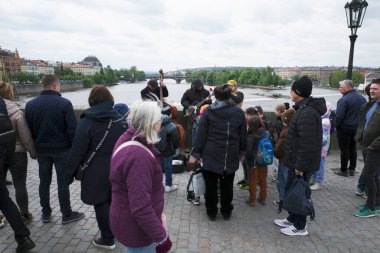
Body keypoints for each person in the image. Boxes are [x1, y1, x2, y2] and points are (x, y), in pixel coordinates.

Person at [66, 85, 126, 249]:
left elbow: (77, 151)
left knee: (101, 203)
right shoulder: (120, 119)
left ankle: (107, 238)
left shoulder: (87, 121)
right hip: (118, 167)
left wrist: (68, 174)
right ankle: (119, 231)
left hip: (95, 170)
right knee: (116, 201)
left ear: (92, 100)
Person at [109, 101, 172, 253]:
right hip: (137, 229)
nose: (161, 123)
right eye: (159, 120)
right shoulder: (138, 157)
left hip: (127, 221)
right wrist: (161, 238)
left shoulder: (127, 138)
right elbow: (140, 207)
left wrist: (158, 213)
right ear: (151, 123)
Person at [25, 74, 84, 224]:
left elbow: (29, 130)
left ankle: (45, 213)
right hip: (62, 149)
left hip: (41, 149)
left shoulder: (30, 105)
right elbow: (72, 130)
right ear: (55, 85)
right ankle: (66, 214)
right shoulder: (64, 104)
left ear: (43, 86)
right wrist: (73, 150)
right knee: (62, 182)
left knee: (43, 181)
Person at [274, 76, 326, 236]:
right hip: (295, 160)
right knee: (292, 191)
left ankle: (300, 226)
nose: (290, 92)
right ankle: (292, 218)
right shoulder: (302, 109)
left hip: (301, 163)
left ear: (298, 92)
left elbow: (307, 143)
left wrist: (300, 166)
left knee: (300, 193)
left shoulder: (308, 113)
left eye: (292, 89)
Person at [189, 84, 247, 221]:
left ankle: (212, 211)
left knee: (211, 186)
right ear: (229, 96)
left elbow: (200, 135)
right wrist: (242, 151)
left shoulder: (209, 111)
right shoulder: (239, 113)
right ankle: (226, 211)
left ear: (216, 96)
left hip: (211, 154)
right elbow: (242, 135)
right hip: (230, 154)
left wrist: (195, 153)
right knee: (227, 185)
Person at [0, 96, 35, 252]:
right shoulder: (12, 108)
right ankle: (23, 232)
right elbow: (25, 134)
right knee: (10, 193)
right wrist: (33, 152)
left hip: (4, 155)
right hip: (13, 152)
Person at [354, 78, 380, 218]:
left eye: (375, 89)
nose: (371, 90)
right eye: (371, 88)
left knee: (369, 175)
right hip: (366, 145)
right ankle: (377, 202)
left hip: (375, 148)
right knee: (374, 175)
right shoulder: (371, 105)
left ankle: (370, 207)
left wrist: (373, 145)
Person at [334, 80, 366, 177]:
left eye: (340, 87)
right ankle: (352, 168)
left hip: (344, 128)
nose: (339, 89)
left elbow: (339, 116)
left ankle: (343, 170)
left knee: (344, 149)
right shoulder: (362, 99)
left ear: (347, 87)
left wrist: (336, 125)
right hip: (357, 128)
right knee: (353, 148)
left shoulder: (344, 100)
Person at [273, 108, 295, 209]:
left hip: (284, 160)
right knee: (289, 181)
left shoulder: (285, 132)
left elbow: (280, 149)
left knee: (282, 181)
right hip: (293, 160)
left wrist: (275, 152)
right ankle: (289, 200)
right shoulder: (295, 129)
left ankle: (283, 201)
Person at [181, 79, 211, 145]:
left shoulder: (206, 92)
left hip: (202, 113)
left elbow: (209, 103)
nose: (199, 88)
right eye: (198, 87)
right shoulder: (188, 92)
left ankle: (199, 146)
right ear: (194, 86)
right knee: (190, 129)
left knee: (201, 130)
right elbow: (183, 101)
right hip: (190, 113)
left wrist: (208, 101)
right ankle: (190, 146)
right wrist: (188, 106)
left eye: (200, 86)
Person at [245, 116, 268, 206]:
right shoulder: (266, 133)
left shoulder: (251, 136)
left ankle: (252, 200)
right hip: (264, 160)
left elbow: (248, 152)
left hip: (254, 162)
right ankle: (262, 198)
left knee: (253, 181)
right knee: (263, 179)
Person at [310, 102, 333, 191]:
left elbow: (324, 138)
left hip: (320, 147)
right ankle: (315, 179)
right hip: (320, 147)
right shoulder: (324, 119)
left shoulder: (324, 121)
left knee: (319, 164)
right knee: (317, 164)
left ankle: (319, 182)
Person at [156, 114, 180, 193]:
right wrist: (176, 148)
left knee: (157, 167)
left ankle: (158, 185)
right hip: (167, 150)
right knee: (168, 167)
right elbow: (176, 138)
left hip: (156, 149)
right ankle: (169, 185)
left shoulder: (154, 122)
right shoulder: (170, 125)